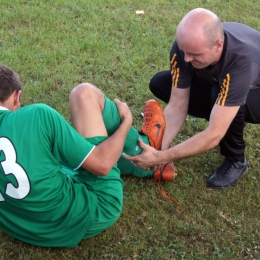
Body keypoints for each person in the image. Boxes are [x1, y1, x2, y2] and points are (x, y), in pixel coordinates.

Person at [0, 64, 176, 248]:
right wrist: (126, 121)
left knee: (50, 154)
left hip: (21, 227)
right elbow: (102, 165)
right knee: (83, 94)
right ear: (16, 96)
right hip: (90, 211)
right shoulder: (37, 115)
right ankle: (146, 150)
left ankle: (144, 157)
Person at [123, 8, 260, 189]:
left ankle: (236, 160)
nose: (186, 59)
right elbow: (177, 105)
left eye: (195, 54)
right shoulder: (185, 49)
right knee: (161, 83)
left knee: (220, 98)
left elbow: (213, 134)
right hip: (228, 82)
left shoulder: (240, 60)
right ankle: (230, 116)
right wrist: (158, 147)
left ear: (218, 45)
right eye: (184, 51)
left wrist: (162, 158)